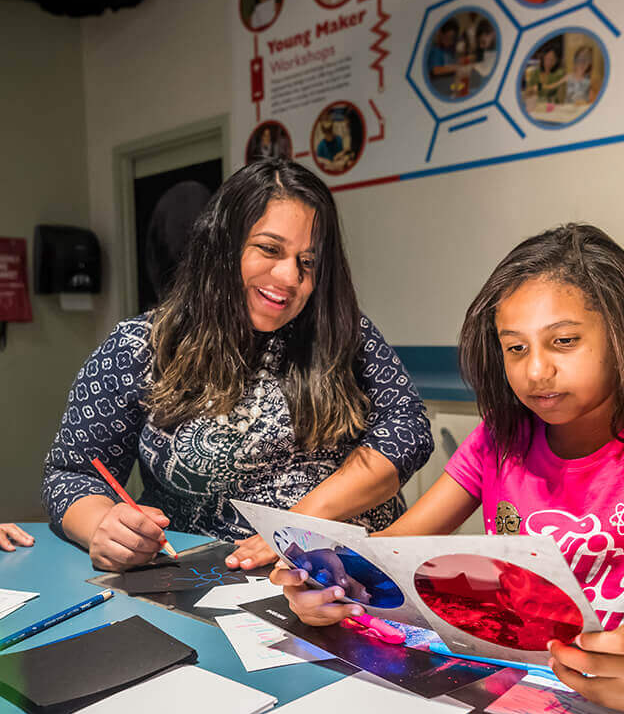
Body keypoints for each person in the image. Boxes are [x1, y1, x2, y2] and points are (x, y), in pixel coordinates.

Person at [273, 223, 624, 714]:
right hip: (523, 698)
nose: (536, 370)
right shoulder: (496, 443)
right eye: (515, 348)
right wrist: (327, 586)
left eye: (564, 341)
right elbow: (382, 556)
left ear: (623, 336)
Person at [42, 159, 433, 573]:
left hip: (353, 581)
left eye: (308, 262)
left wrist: (293, 526)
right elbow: (71, 474)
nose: (289, 276)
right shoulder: (140, 347)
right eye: (270, 249)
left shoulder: (341, 330)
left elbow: (407, 431)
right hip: (220, 584)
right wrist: (102, 525)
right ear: (223, 245)